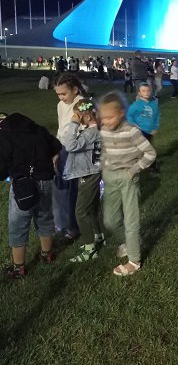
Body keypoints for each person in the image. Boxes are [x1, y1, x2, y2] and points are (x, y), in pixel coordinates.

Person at [99, 91, 156, 276]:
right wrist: (103, 168)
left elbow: (150, 153)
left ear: (121, 113)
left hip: (128, 179)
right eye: (103, 117)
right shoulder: (103, 130)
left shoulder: (131, 131)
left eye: (110, 117)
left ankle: (134, 260)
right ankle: (131, 241)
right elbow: (104, 152)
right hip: (110, 178)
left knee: (130, 220)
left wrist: (133, 170)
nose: (106, 121)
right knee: (110, 220)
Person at [0, 112, 61, 279]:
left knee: (18, 225)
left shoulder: (4, 136)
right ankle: (47, 254)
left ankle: (18, 268)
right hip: (46, 181)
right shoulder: (39, 130)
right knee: (45, 217)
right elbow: (56, 146)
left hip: (23, 186)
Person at [61, 99, 104, 262]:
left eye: (77, 116)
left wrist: (73, 124)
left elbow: (70, 145)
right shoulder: (94, 130)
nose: (75, 119)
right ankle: (99, 235)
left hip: (89, 174)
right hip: (92, 171)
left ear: (86, 116)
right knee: (92, 206)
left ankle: (90, 249)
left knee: (80, 211)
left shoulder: (90, 133)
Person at [53, 73, 87, 240]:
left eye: (64, 93)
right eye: (58, 94)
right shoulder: (61, 105)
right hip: (62, 148)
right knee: (61, 187)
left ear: (75, 89)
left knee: (73, 190)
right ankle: (62, 222)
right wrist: (56, 150)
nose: (61, 97)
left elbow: (87, 132)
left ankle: (73, 227)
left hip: (76, 151)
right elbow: (61, 129)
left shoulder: (83, 104)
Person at [127, 83, 160, 172]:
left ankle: (152, 166)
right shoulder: (136, 105)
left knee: (149, 149)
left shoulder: (153, 104)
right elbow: (129, 116)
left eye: (148, 90)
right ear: (139, 93)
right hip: (139, 131)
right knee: (140, 149)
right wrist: (135, 125)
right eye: (143, 91)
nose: (146, 93)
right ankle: (137, 166)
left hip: (149, 131)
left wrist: (155, 128)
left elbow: (156, 116)